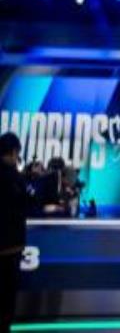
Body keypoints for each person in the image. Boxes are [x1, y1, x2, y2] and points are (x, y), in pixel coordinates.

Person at [0, 132, 26, 333]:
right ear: (13, 152)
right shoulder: (14, 177)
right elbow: (28, 202)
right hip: (10, 248)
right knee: (6, 300)